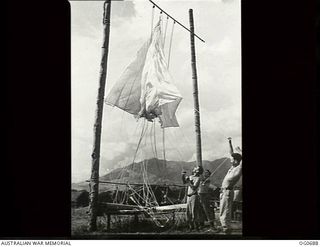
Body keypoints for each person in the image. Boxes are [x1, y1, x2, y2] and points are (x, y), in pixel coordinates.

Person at [219, 137, 242, 234]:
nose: (230, 160)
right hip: (224, 191)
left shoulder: (239, 168)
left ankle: (226, 228)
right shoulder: (233, 167)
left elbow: (237, 157)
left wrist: (240, 151)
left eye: (232, 159)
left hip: (228, 191)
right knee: (223, 209)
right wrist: (230, 143)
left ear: (236, 161)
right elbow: (231, 153)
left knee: (226, 210)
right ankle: (225, 227)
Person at [182, 166, 203, 231]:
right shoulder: (191, 176)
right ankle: (191, 227)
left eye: (196, 168)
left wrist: (189, 181)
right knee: (188, 212)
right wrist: (183, 175)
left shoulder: (198, 178)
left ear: (198, 171)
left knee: (194, 211)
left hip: (194, 196)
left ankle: (196, 227)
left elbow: (194, 187)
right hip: (189, 196)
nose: (194, 168)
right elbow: (184, 182)